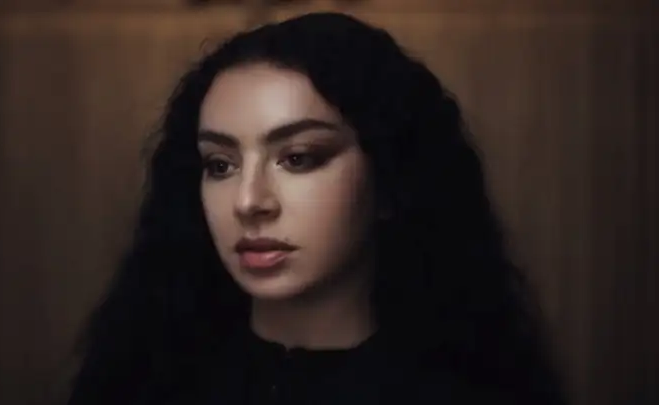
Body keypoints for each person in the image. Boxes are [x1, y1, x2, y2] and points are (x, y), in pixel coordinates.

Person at [67, 12, 566, 405]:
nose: (248, 202)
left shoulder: (466, 393)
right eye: (220, 165)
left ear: (391, 179)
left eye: (298, 158)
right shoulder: (144, 384)